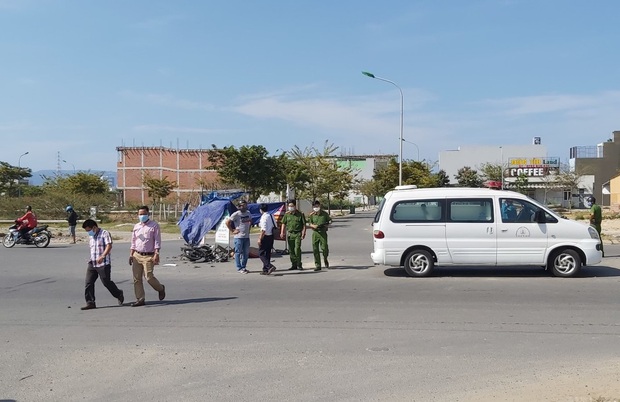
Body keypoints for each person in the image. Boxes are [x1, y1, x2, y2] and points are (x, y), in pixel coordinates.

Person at [80, 219, 124, 310]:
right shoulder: (91, 236)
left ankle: (118, 293)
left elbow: (109, 245)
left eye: (89, 230)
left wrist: (103, 256)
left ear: (94, 227)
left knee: (106, 282)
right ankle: (90, 302)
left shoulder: (104, 233)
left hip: (103, 263)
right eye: (87, 231)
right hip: (92, 263)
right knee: (88, 283)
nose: (88, 233)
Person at [129, 206, 165, 306]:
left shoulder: (154, 225)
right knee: (137, 278)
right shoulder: (136, 226)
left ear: (148, 214)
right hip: (137, 255)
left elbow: (157, 240)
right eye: (140, 214)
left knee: (149, 277)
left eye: (144, 214)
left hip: (149, 256)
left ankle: (160, 288)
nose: (142, 216)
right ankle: (140, 299)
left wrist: (156, 253)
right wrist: (131, 254)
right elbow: (133, 241)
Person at [226, 200, 252, 274]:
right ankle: (239, 267)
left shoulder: (248, 213)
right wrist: (232, 231)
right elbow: (227, 222)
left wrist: (249, 229)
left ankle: (244, 267)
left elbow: (250, 220)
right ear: (239, 206)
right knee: (238, 252)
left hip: (246, 237)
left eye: (245, 205)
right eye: (242, 205)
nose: (244, 207)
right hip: (239, 237)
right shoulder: (236, 214)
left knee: (246, 253)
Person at [280, 200, 306, 270]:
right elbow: (283, 223)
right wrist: (282, 232)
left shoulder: (300, 214)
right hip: (290, 234)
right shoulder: (287, 214)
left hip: (297, 234)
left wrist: (303, 233)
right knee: (291, 250)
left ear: (295, 206)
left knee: (297, 249)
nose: (290, 207)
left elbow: (304, 224)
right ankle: (293, 264)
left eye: (292, 206)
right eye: (289, 206)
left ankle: (299, 264)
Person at [307, 200, 332, 271]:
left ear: (320, 206)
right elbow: (308, 223)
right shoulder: (311, 215)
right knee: (315, 249)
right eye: (314, 206)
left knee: (324, 248)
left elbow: (330, 221)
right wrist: (313, 225)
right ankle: (318, 265)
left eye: (317, 206)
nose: (316, 207)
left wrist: (326, 224)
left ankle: (325, 258)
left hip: (323, 233)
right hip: (315, 233)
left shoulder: (324, 214)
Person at [257, 203, 277, 275]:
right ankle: (265, 269)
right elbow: (275, 225)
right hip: (271, 236)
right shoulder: (271, 215)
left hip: (265, 236)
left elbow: (263, 230)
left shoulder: (263, 217)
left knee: (261, 253)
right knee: (267, 253)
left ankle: (269, 266)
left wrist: (260, 239)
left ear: (261, 210)